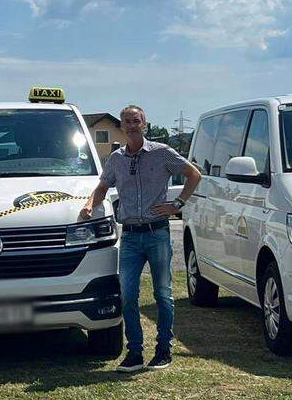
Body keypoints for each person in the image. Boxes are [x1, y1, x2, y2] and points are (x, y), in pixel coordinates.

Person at [79, 105, 201, 372]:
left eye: (136, 121)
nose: (131, 125)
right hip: (131, 238)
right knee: (128, 295)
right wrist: (89, 205)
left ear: (145, 124)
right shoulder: (116, 159)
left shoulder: (161, 153)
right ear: (122, 126)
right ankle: (134, 352)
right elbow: (102, 186)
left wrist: (177, 204)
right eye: (126, 121)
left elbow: (194, 174)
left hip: (157, 232)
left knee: (163, 294)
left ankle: (163, 350)